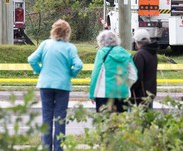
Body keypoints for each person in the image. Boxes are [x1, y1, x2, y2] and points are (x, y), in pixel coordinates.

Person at [28, 19, 83, 151]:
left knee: (46, 117)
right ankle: (59, 148)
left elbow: (31, 59)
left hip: (46, 84)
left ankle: (46, 147)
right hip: (63, 85)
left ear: (53, 30)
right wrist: (71, 73)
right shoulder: (70, 47)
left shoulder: (45, 44)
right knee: (60, 118)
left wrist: (39, 70)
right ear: (67, 33)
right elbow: (79, 65)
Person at [89, 30, 137, 112]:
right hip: (122, 94)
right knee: (120, 123)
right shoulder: (125, 53)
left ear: (101, 41)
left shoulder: (101, 53)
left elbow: (96, 74)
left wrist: (92, 94)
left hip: (104, 94)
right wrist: (126, 86)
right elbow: (133, 75)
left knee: (104, 122)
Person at [130, 29, 158, 108]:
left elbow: (136, 76)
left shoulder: (140, 55)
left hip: (140, 94)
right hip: (150, 92)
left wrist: (130, 89)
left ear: (137, 42)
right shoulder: (153, 53)